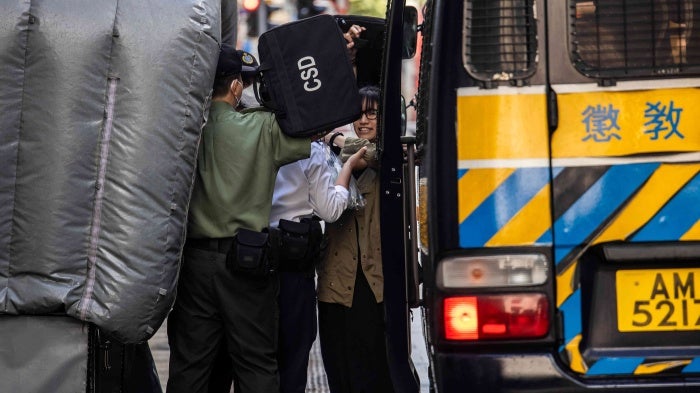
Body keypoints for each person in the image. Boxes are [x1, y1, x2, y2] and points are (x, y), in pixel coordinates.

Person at [166, 44, 311, 393]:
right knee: (256, 364)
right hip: (246, 264)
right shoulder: (262, 128)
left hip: (194, 264)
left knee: (190, 366)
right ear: (235, 87)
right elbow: (310, 128)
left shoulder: (183, 129)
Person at [272, 139, 368, 393]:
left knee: (259, 355)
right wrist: (346, 169)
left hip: (254, 252)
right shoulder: (309, 149)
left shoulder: (258, 136)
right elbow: (331, 210)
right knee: (294, 348)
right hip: (293, 254)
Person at [316, 85, 394, 393]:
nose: (364, 120)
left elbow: (368, 153)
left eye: (372, 113)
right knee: (341, 369)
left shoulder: (389, 155)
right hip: (336, 283)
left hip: (376, 283)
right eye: (358, 114)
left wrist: (332, 137)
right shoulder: (330, 160)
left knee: (374, 369)